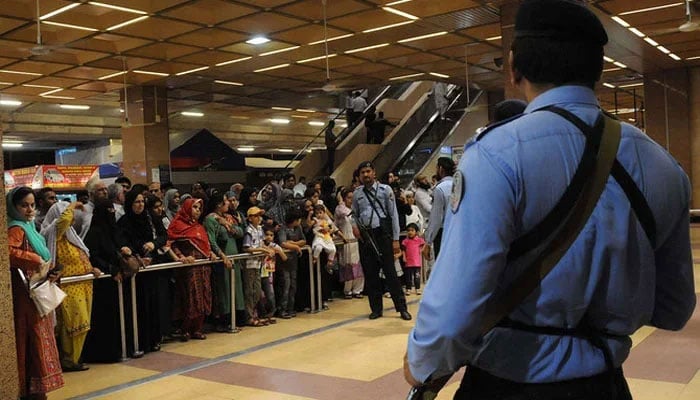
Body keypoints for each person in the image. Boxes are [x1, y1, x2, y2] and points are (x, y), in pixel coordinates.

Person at [405, 1, 696, 399]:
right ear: (598, 68)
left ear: (514, 67)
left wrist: (423, 365)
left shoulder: (495, 155)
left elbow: (456, 306)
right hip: (605, 386)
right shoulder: (662, 166)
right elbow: (675, 308)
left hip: (507, 385)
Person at [7, 186, 64, 399]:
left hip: (35, 293)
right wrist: (38, 260)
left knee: (38, 338)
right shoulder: (16, 229)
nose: (29, 210)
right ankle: (31, 389)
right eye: (23, 205)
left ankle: (38, 388)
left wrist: (51, 270)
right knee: (30, 339)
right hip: (25, 296)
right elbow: (9, 252)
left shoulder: (29, 227)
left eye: (32, 205)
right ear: (13, 207)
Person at [41, 201, 101, 372]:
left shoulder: (70, 235)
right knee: (74, 324)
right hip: (69, 287)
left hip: (83, 286)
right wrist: (72, 204)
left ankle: (75, 358)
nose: (73, 220)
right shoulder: (54, 232)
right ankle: (69, 359)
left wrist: (91, 268)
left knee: (82, 324)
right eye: (70, 216)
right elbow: (63, 220)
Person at [351, 161, 411, 321]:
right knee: (370, 275)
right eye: (363, 172)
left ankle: (402, 308)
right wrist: (354, 227)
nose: (365, 175)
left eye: (368, 171)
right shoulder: (357, 193)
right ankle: (376, 309)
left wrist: (396, 239)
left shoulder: (385, 190)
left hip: (382, 235)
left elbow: (393, 215)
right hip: (366, 237)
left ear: (374, 173)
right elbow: (354, 214)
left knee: (390, 273)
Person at [168, 198, 217, 341]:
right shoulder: (177, 225)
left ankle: (197, 328)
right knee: (190, 298)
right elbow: (171, 244)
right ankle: (185, 329)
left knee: (204, 296)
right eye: (194, 207)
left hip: (203, 268)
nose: (197, 210)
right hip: (188, 269)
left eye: (199, 208)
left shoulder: (199, 227)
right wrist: (181, 257)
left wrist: (211, 254)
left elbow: (205, 245)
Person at [203, 192, 244, 333]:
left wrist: (228, 225)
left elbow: (240, 232)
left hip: (234, 259)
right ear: (219, 204)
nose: (229, 204)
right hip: (222, 260)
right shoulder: (210, 220)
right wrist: (222, 255)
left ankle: (236, 318)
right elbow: (211, 241)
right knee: (224, 290)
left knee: (235, 289)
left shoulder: (227, 217)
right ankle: (223, 321)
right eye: (226, 201)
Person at [242, 206, 275, 327]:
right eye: (256, 216)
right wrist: (262, 249)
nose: (258, 218)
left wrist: (267, 249)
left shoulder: (260, 229)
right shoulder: (248, 231)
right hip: (250, 264)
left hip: (258, 264)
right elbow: (247, 247)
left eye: (259, 216)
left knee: (257, 291)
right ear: (250, 218)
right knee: (250, 291)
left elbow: (261, 243)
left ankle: (256, 314)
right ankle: (249, 316)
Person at [422, 157, 455, 261]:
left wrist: (428, 242)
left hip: (443, 234)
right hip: (460, 232)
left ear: (441, 169)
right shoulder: (460, 185)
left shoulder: (440, 188)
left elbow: (436, 219)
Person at [335, 187, 364, 299]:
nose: (351, 200)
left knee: (358, 264)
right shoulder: (340, 209)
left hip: (357, 240)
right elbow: (345, 213)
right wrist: (340, 201)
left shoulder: (356, 209)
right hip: (346, 240)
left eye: (353, 198)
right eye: (348, 198)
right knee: (348, 264)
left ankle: (358, 289)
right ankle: (348, 290)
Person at [277, 211, 306, 318]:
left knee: (293, 286)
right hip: (284, 262)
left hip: (294, 262)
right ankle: (282, 309)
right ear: (293, 220)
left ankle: (290, 308)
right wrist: (296, 247)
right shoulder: (282, 229)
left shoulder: (298, 228)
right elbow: (283, 243)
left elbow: (304, 241)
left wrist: (293, 244)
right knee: (285, 285)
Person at [259, 224, 287, 324]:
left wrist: (278, 251)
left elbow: (284, 257)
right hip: (259, 272)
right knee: (260, 296)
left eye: (271, 235)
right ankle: (262, 315)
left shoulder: (274, 246)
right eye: (267, 234)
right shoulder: (260, 244)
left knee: (270, 295)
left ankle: (270, 314)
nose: (269, 237)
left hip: (268, 273)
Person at [401, 223, 424, 295]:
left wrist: (421, 250)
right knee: (408, 277)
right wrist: (404, 257)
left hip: (417, 263)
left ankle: (418, 288)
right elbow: (403, 250)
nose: (410, 232)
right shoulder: (405, 241)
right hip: (408, 263)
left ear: (416, 232)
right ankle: (408, 289)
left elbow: (424, 244)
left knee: (417, 277)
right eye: (408, 230)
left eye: (412, 230)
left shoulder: (419, 240)